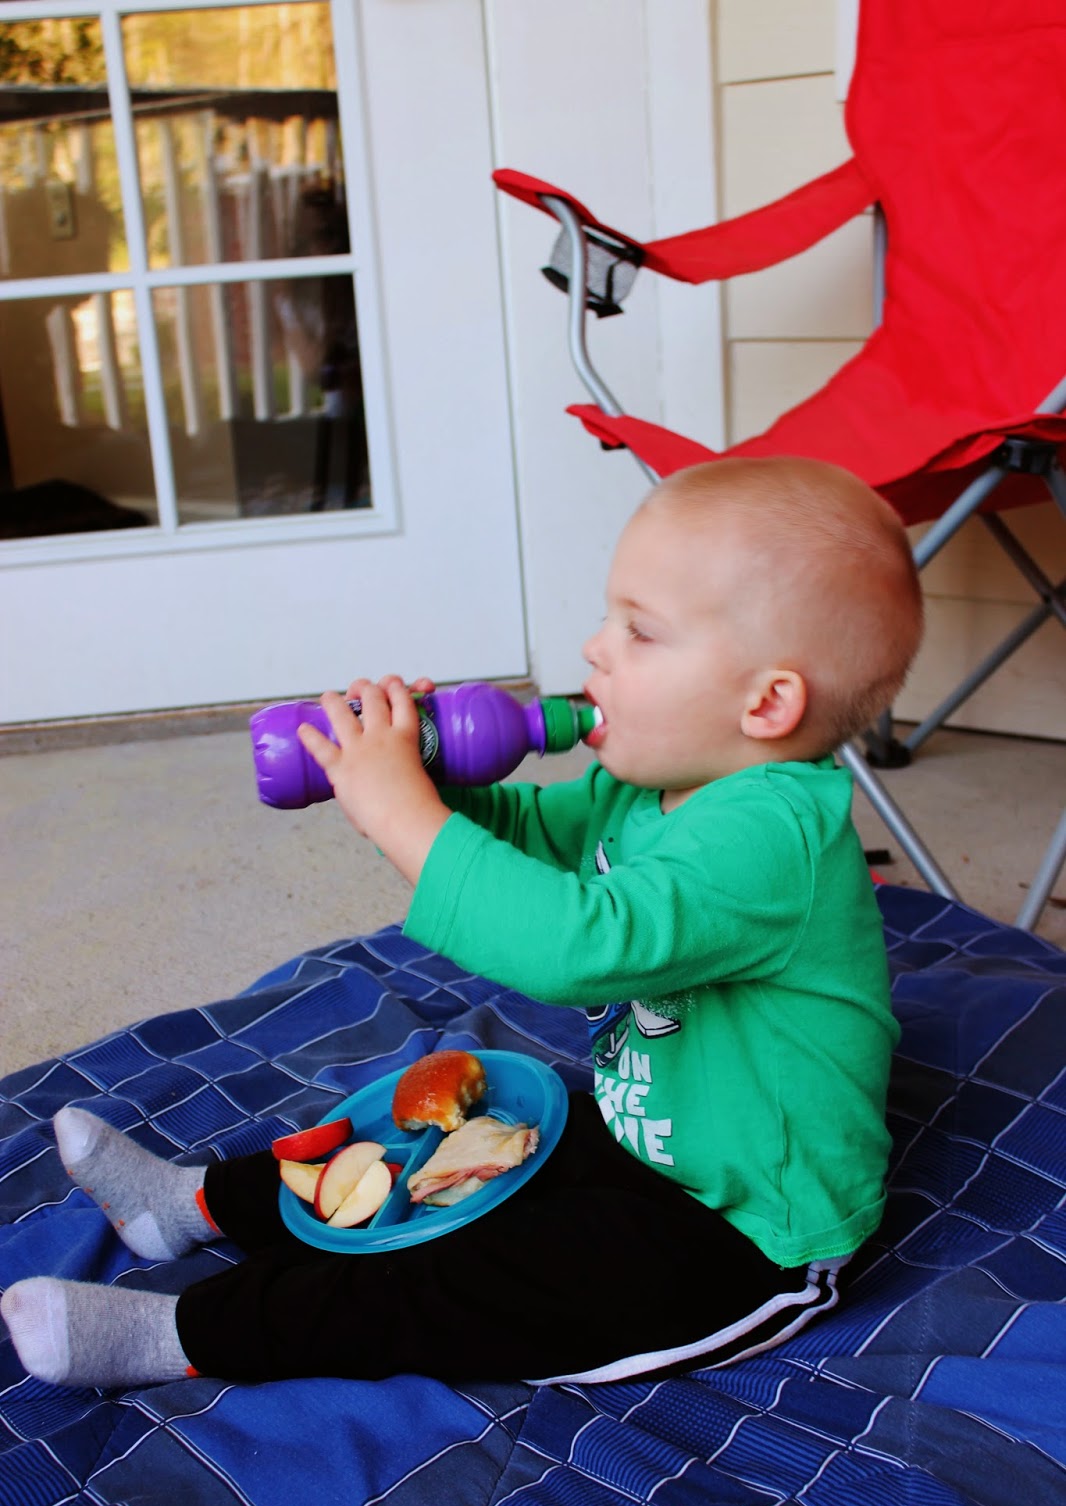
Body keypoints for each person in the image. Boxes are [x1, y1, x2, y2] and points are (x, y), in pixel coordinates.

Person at [1, 456, 924, 1390]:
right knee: (453, 1138)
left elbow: (578, 944)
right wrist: (422, 781)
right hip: (649, 1134)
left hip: (743, 1229)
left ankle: (186, 1334)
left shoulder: (774, 834)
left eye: (640, 631)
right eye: (609, 618)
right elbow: (523, 836)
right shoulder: (652, 785)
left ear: (766, 702)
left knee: (464, 1286)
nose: (595, 647)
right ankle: (192, 1206)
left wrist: (404, 811)